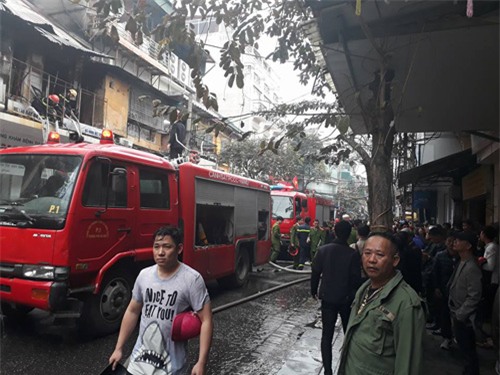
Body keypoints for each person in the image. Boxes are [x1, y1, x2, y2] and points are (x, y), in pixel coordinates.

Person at [109, 226, 213, 375]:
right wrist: (119, 348)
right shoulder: (144, 276)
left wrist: (201, 362)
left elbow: (207, 321)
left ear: (179, 249)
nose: (160, 252)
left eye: (167, 247)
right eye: (156, 246)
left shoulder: (192, 279)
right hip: (139, 362)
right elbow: (132, 311)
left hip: (171, 367)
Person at [337, 232, 425, 375]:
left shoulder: (406, 304)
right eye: (367, 253)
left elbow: (408, 365)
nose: (371, 260)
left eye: (379, 255)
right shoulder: (364, 289)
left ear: (395, 260)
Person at [311, 220, 361, 375]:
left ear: (334, 231)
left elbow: (315, 273)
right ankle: (347, 366)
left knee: (327, 335)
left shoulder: (323, 250)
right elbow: (355, 279)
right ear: (349, 234)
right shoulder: (353, 254)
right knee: (349, 334)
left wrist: (314, 290)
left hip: (328, 298)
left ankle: (327, 370)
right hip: (346, 299)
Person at [448, 231, 482, 375]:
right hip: (457, 313)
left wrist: (460, 315)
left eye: (459, 240)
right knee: (464, 349)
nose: (455, 242)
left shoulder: (472, 267)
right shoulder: (461, 261)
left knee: (468, 351)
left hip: (464, 317)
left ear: (468, 246)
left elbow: (474, 296)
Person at [432, 232, 458, 350]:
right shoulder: (440, 256)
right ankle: (447, 338)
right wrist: (436, 287)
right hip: (443, 289)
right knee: (445, 314)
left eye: (454, 241)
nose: (451, 244)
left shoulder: (461, 256)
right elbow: (435, 273)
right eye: (449, 241)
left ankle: (458, 336)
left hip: (458, 292)